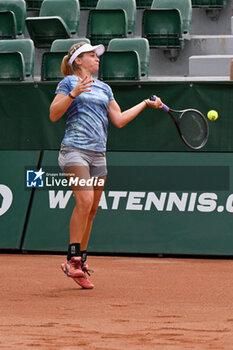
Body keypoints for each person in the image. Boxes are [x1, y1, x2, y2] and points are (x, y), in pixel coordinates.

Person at [49, 42, 163, 289]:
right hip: (74, 152)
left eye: (96, 55)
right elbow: (53, 114)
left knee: (92, 211)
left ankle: (80, 262)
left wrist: (144, 103)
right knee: (85, 201)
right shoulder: (69, 83)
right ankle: (72, 259)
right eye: (91, 55)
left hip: (98, 155)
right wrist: (74, 94)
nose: (97, 59)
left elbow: (119, 120)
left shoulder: (104, 88)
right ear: (78, 61)